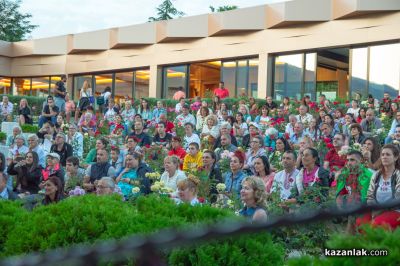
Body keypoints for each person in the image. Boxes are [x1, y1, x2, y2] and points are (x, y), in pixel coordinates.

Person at [358, 145, 400, 230]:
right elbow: (370, 195)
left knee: (375, 225)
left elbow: (397, 198)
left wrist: (380, 211)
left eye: (388, 154)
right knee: (360, 222)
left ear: (395, 157)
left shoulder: (398, 175)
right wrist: (374, 209)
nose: (384, 157)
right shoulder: (376, 175)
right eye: (382, 154)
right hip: (376, 209)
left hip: (395, 210)